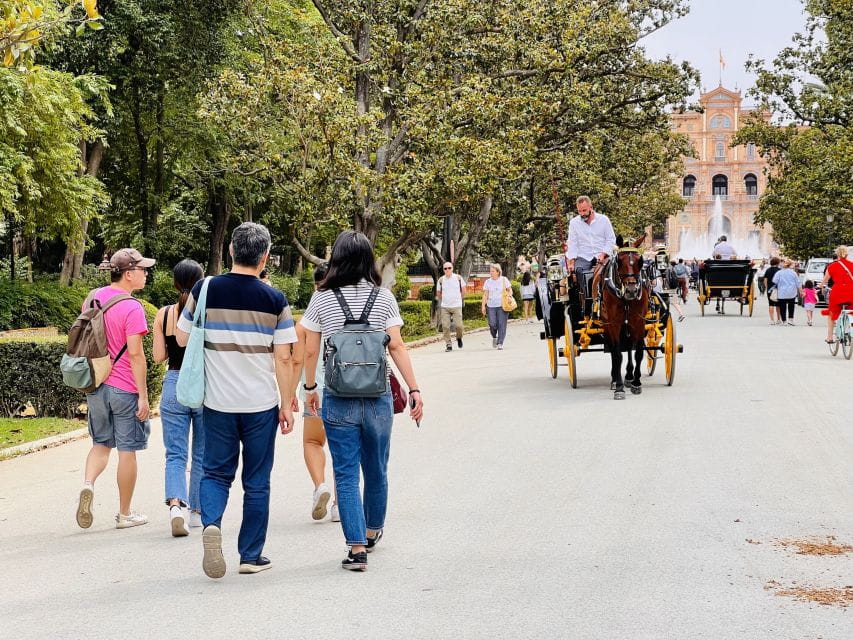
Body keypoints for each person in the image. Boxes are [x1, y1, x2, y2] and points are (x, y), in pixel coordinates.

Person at [175, 222, 297, 579]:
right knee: (257, 481)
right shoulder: (275, 299)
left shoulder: (205, 288)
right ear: (265, 257)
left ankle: (212, 523)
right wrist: (287, 404)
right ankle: (250, 555)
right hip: (260, 404)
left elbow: (182, 339)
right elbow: (285, 357)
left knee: (215, 472)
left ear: (231, 251)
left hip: (217, 403)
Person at [300, 230, 424, 572]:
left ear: (337, 259)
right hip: (378, 394)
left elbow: (310, 348)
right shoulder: (383, 298)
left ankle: (356, 549)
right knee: (376, 468)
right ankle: (371, 530)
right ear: (370, 259)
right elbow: (396, 346)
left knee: (344, 472)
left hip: (338, 397)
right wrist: (414, 390)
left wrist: (311, 388)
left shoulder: (322, 299)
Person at [76, 248, 154, 531]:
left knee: (100, 444)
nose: (146, 274)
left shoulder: (93, 297)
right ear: (129, 273)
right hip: (123, 388)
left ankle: (88, 484)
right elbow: (136, 355)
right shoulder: (133, 307)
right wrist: (143, 396)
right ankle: (124, 513)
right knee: (127, 451)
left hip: (96, 385)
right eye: (142, 269)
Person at [152, 259, 205, 537]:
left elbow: (159, 356)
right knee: (201, 452)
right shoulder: (205, 312)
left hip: (174, 382)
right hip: (202, 385)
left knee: (175, 453)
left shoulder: (163, 314)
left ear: (174, 283)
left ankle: (175, 506)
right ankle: (196, 511)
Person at [290, 262, 338, 523]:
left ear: (315, 285)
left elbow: (298, 359)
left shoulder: (305, 321)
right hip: (345, 389)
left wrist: (290, 395)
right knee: (344, 448)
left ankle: (320, 486)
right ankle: (341, 504)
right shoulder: (344, 308)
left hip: (314, 391)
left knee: (312, 442)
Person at [565, 195, 616, 281]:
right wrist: (571, 261)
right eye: (579, 211)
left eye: (584, 210)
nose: (582, 214)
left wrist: (603, 253)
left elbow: (611, 239)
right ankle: (584, 294)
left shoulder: (604, 220)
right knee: (579, 272)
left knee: (612, 272)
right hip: (583, 257)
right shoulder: (574, 223)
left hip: (603, 255)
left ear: (591, 207)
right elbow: (572, 244)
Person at [820, 245, 853, 343]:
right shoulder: (852, 265)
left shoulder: (832, 266)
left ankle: (830, 337)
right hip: (851, 292)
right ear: (847, 254)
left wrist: (820, 287)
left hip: (837, 292)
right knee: (851, 311)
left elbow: (825, 280)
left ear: (837, 254)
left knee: (832, 313)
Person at [481, 264, 513, 350]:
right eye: (490, 271)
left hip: (502, 305)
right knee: (492, 324)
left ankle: (500, 343)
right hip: (491, 306)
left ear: (498, 272)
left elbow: (509, 290)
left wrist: (509, 297)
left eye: (492, 271)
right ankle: (494, 336)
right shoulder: (488, 281)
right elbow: (485, 295)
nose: (490, 273)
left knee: (502, 324)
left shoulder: (504, 279)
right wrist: (483, 306)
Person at [436, 262, 466, 352]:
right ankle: (448, 344)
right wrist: (444, 299)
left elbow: (464, 290)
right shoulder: (441, 280)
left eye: (449, 268)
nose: (447, 270)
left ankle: (459, 338)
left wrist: (458, 299)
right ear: (443, 270)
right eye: (445, 268)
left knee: (459, 326)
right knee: (445, 326)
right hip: (445, 306)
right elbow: (438, 293)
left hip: (456, 306)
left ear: (452, 268)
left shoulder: (458, 278)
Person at [772, 259, 801, 325]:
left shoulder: (779, 272)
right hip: (792, 293)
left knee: (782, 307)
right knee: (791, 306)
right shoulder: (793, 273)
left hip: (782, 293)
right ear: (790, 265)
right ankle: (791, 320)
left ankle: (784, 321)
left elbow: (774, 281)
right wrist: (801, 292)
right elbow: (798, 283)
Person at [763, 257, 782, 325]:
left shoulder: (768, 270)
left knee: (770, 304)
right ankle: (778, 319)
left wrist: (767, 288)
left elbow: (765, 280)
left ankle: (772, 320)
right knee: (778, 305)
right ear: (777, 263)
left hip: (770, 289)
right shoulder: (780, 270)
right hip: (778, 289)